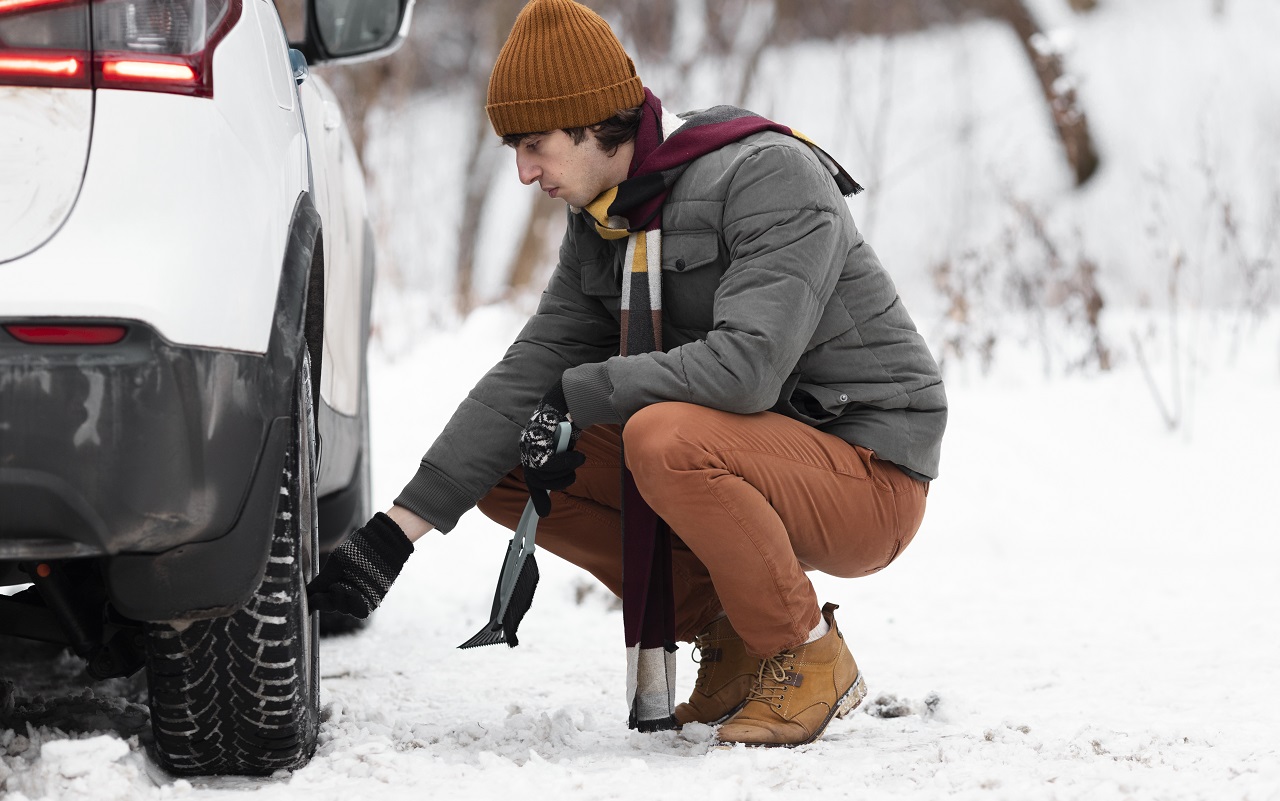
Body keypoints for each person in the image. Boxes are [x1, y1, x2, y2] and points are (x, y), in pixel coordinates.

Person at [308, 0, 946, 748]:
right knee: (519, 456)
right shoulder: (606, 223)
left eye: (535, 144)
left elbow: (746, 372)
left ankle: (804, 652)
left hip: (867, 472)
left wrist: (587, 390)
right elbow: (527, 375)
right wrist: (395, 532)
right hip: (752, 456)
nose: (523, 171)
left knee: (662, 435)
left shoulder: (767, 174)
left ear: (590, 121)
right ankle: (731, 637)